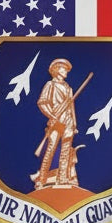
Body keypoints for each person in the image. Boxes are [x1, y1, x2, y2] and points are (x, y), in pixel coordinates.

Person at [33, 58, 78, 188]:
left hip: (68, 121)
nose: (66, 72)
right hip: (56, 121)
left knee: (66, 150)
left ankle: (62, 178)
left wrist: (74, 124)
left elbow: (71, 107)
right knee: (51, 149)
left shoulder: (68, 88)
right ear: (57, 70)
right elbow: (42, 102)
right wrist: (52, 116)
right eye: (64, 69)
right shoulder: (50, 85)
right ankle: (42, 179)